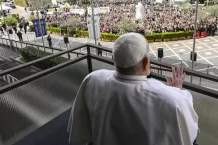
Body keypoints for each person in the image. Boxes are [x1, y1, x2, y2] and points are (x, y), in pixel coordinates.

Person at [68, 33, 198, 145]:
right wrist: (176, 90)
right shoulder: (172, 99)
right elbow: (190, 133)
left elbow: (82, 127)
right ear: (146, 62)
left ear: (114, 59)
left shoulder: (93, 79)